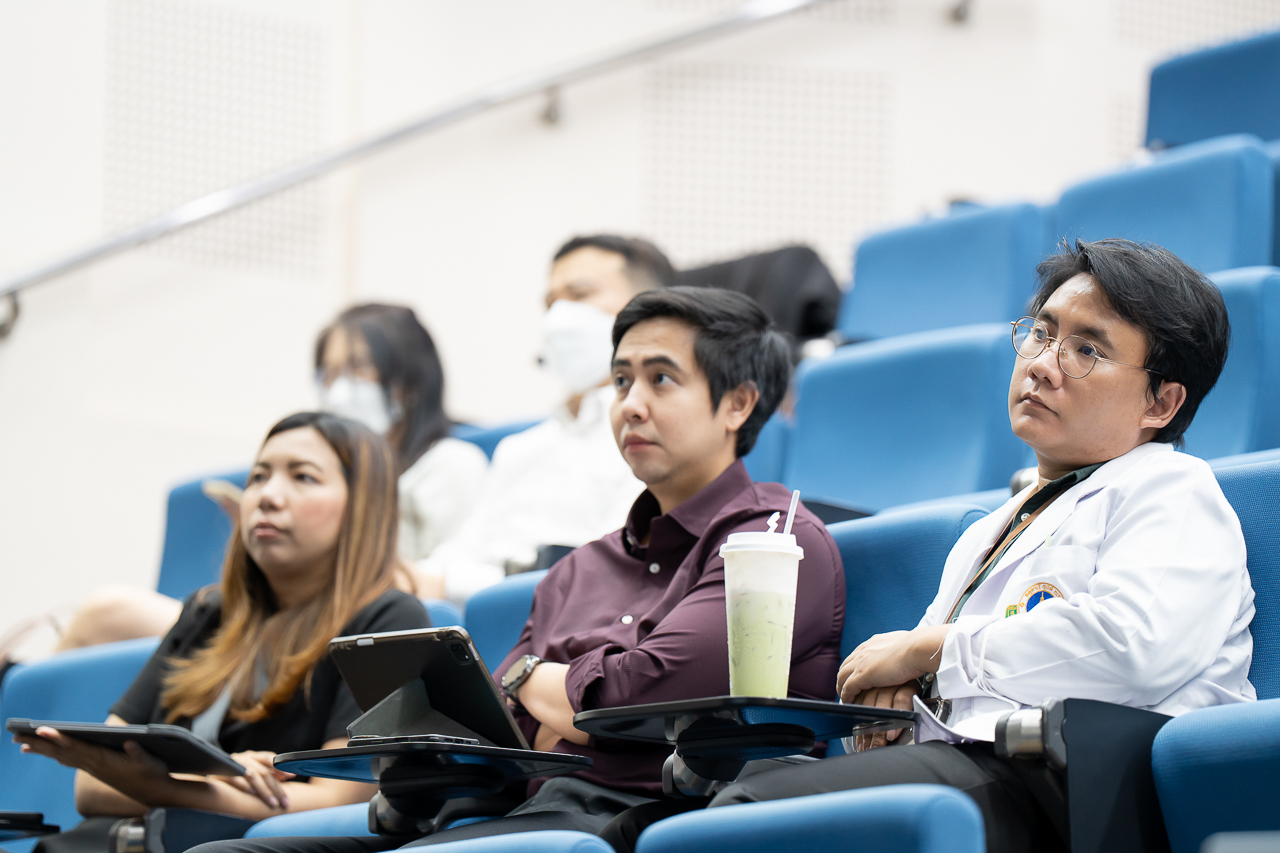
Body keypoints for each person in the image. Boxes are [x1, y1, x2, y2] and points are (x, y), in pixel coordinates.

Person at [188, 287, 846, 853]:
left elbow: (649, 690)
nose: (630, 404)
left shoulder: (774, 539)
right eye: (620, 381)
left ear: (737, 403)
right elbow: (505, 733)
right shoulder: (578, 569)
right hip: (527, 815)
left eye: (661, 379)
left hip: (657, 820)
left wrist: (538, 676)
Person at [706, 239, 1255, 853]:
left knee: (750, 812)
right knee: (717, 800)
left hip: (1076, 791)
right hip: (978, 768)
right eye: (1042, 334)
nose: (1044, 364)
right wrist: (901, 697)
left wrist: (929, 652)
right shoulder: (989, 528)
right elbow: (922, 676)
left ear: (1161, 402)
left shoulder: (1171, 487)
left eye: (1087, 350)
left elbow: (1132, 645)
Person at [14, 413, 431, 852]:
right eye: (258, 477)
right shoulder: (206, 613)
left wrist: (164, 786)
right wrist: (219, 774)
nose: (267, 496)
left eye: (303, 477)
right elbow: (91, 786)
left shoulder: (389, 619)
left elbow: (336, 803)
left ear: (364, 506)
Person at [49, 305, 486, 651]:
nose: (338, 390)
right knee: (102, 619)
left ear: (408, 385)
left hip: (348, 617)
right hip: (286, 609)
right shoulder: (333, 472)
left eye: (357, 370)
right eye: (328, 374)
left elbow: (446, 586)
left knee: (109, 612)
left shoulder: (450, 463)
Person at [414, 235, 678, 604]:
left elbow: (610, 572)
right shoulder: (519, 449)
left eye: (579, 294)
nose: (558, 318)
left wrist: (449, 584)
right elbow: (460, 552)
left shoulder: (654, 437)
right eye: (551, 302)